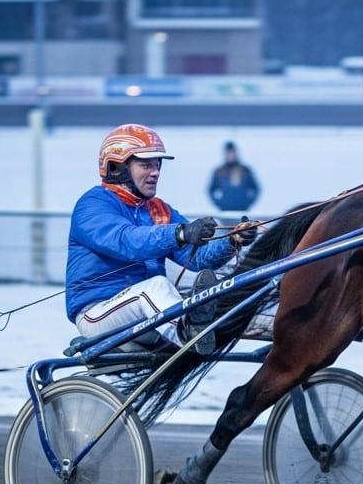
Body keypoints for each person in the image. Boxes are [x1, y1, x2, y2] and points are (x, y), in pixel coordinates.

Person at [65, 124, 256, 356]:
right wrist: (180, 233)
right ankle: (189, 333)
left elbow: (197, 259)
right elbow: (127, 241)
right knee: (156, 286)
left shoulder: (159, 210)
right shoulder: (92, 205)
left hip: (146, 312)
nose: (155, 172)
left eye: (157, 164)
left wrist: (233, 240)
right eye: (146, 165)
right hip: (96, 313)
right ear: (117, 168)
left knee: (214, 286)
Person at [207, 140, 260, 215]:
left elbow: (256, 188)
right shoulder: (220, 171)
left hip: (243, 211)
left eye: (232, 153)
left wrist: (248, 203)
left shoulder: (245, 170)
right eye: (228, 153)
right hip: (225, 212)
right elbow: (210, 190)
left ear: (236, 153)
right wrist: (219, 203)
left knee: (244, 227)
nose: (230, 155)